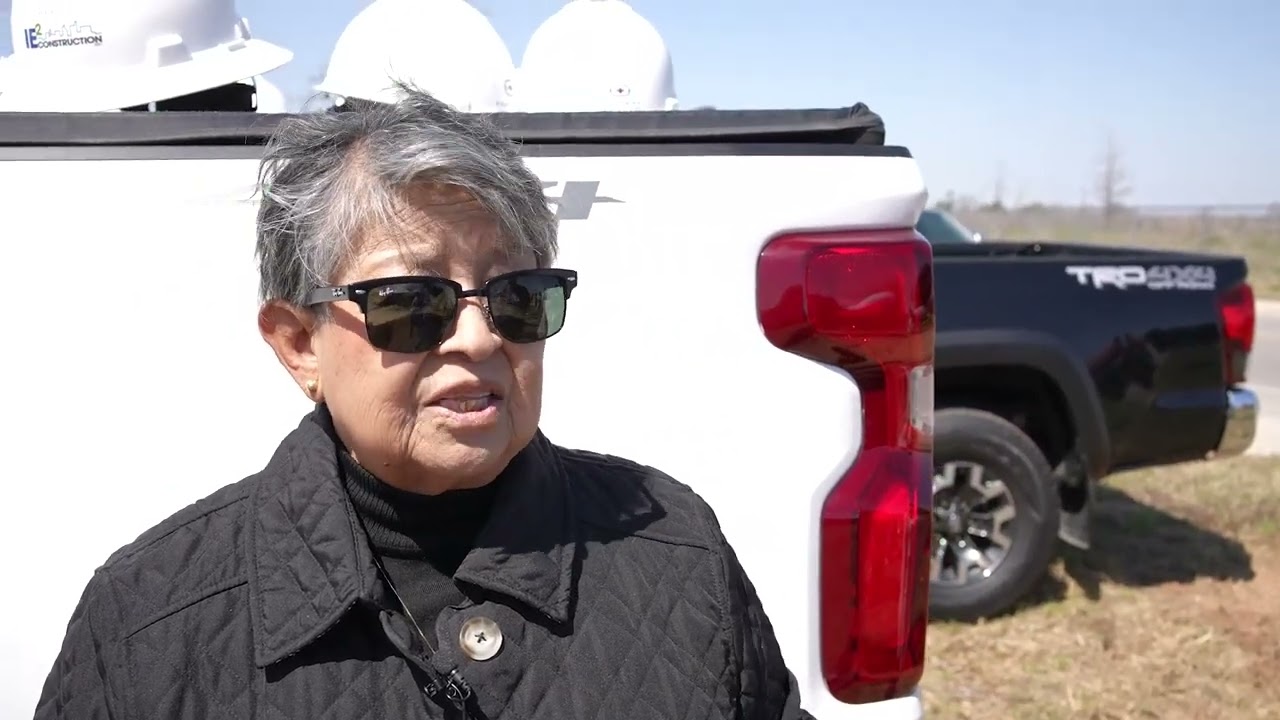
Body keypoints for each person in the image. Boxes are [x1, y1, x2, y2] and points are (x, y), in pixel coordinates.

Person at [33, 85, 814, 720]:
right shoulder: (147, 624)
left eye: (516, 297)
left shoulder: (675, 554)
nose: (477, 338)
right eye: (412, 302)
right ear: (298, 343)